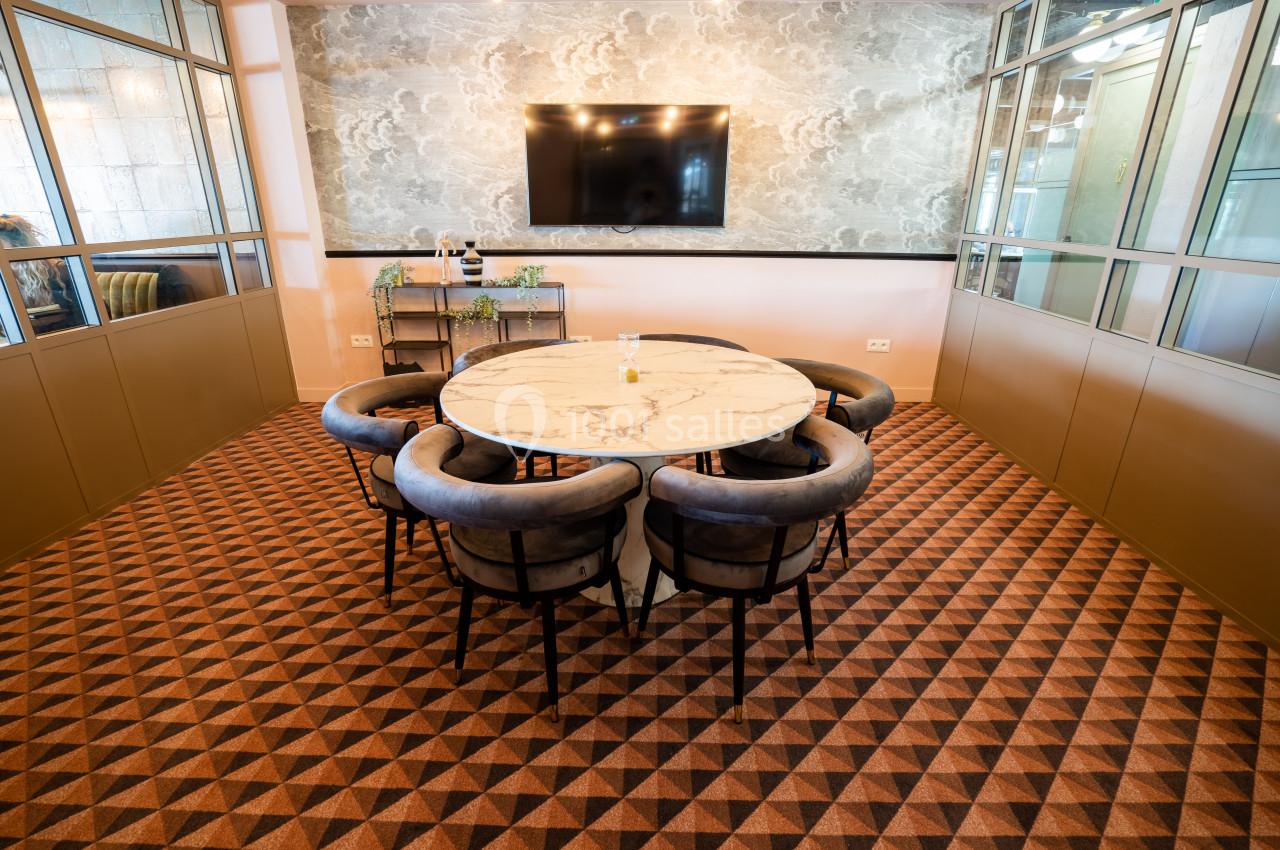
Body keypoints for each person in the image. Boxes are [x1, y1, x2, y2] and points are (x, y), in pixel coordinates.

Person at [0, 214, 84, 332]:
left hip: (64, 335)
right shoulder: (4, 274)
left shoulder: (58, 270)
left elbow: (88, 314)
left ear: (17, 245)